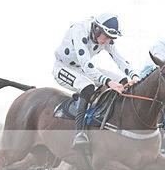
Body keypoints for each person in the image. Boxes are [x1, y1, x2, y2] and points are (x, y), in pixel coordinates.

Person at [53, 12, 138, 149]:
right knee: (88, 87)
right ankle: (79, 133)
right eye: (106, 37)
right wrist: (108, 82)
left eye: (110, 38)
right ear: (96, 29)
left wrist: (134, 76)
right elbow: (86, 63)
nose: (107, 41)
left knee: (122, 80)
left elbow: (119, 59)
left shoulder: (105, 37)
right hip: (63, 67)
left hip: (81, 68)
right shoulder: (79, 30)